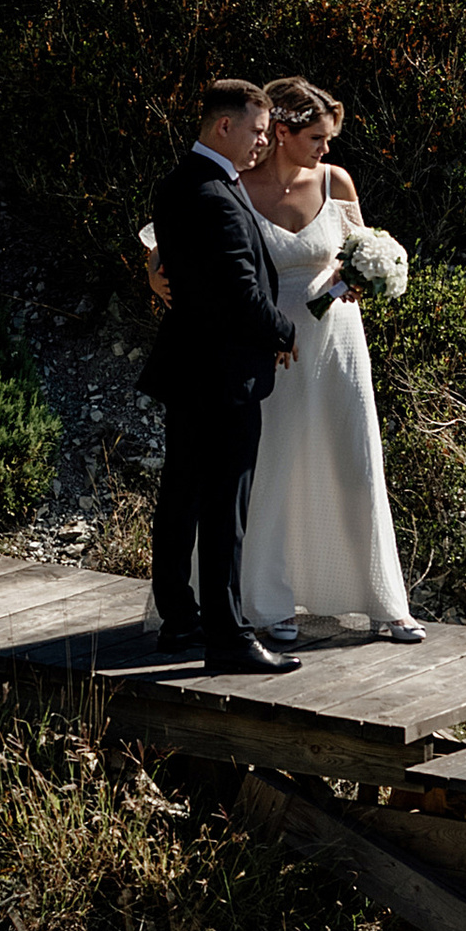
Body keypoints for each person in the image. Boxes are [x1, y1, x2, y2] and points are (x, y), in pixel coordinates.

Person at [142, 78, 421, 646]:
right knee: (268, 471)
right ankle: (268, 602)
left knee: (352, 461)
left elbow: (360, 246)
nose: (326, 148)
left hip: (335, 342)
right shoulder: (234, 182)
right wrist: (154, 272)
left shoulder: (335, 181)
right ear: (285, 134)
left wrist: (370, 274)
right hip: (265, 347)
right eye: (316, 136)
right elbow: (174, 240)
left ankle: (380, 598)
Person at [141, 77, 303, 676]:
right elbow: (238, 292)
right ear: (223, 126)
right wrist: (283, 333)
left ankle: (180, 618)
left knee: (181, 494)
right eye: (258, 132)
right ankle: (229, 636)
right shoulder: (212, 193)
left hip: (189, 368)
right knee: (224, 506)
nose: (264, 143)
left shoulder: (179, 182)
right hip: (224, 374)